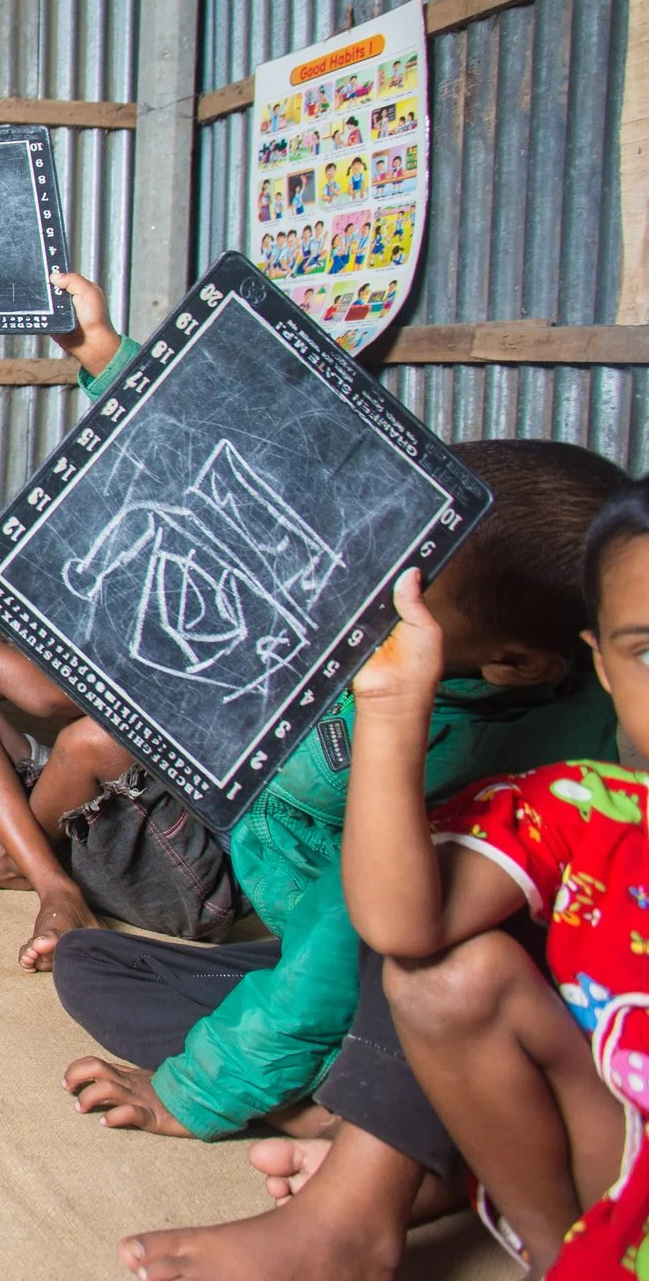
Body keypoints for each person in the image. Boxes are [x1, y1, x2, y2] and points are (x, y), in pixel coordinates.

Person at [51, 440, 623, 1279]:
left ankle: (368, 1163)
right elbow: (237, 463)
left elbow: (349, 923)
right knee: (89, 961)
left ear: (517, 663)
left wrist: (197, 1089)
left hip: (398, 958)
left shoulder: (479, 754)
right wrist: (106, 354)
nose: (362, 589)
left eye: (407, 589)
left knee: (415, 957)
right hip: (322, 952)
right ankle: (383, 1118)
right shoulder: (392, 641)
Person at [277, 481, 649, 1280]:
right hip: (620, 1159)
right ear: (605, 667)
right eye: (648, 652)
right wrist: (390, 704)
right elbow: (402, 928)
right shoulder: (591, 807)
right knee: (446, 975)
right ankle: (559, 1253)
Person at [0, 270, 241, 972]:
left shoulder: (167, 564)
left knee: (89, 739)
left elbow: (50, 702)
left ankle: (24, 860)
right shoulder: (82, 563)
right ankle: (45, 864)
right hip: (102, 818)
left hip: (177, 866)